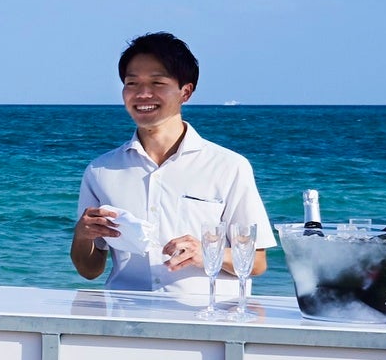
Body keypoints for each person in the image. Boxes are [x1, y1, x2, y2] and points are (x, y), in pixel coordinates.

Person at [70, 29, 273, 292]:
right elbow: (89, 271)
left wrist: (207, 253)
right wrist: (82, 235)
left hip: (210, 319)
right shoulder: (101, 170)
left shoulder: (229, 166)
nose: (143, 94)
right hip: (127, 318)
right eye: (132, 83)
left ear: (185, 92)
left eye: (157, 83)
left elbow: (256, 262)